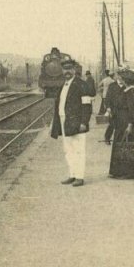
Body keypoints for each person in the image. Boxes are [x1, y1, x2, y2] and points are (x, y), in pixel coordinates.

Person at [50, 59, 93, 187]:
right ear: (62, 71)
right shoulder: (63, 85)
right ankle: (72, 174)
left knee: (79, 149)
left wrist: (84, 122)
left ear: (74, 70)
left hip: (77, 122)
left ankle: (79, 177)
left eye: (69, 69)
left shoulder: (82, 84)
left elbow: (87, 106)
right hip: (64, 121)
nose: (67, 71)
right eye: (65, 69)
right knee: (68, 150)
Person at [102, 73, 122, 144]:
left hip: (122, 109)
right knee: (112, 124)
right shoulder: (112, 86)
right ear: (117, 77)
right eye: (119, 76)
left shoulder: (125, 86)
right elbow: (108, 98)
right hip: (114, 109)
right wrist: (108, 107)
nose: (120, 77)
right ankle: (107, 137)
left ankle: (120, 140)